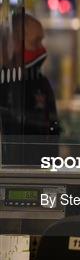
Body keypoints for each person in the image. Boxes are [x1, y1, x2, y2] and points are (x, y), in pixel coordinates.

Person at [1, 14, 60, 165]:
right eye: (35, 42)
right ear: (13, 43)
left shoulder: (41, 83)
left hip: (38, 172)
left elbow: (53, 129)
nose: (42, 49)